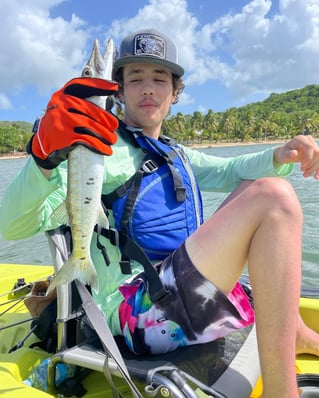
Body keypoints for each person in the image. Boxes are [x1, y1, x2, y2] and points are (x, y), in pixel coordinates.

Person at [1, 28, 319, 397]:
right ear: (117, 91)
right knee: (273, 196)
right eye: (135, 79)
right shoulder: (99, 150)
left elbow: (229, 170)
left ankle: (291, 329)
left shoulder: (174, 152)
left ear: (174, 92)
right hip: (134, 315)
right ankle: (282, 391)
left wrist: (279, 155)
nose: (148, 88)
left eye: (159, 79)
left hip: (173, 293)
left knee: (262, 193)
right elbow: (12, 224)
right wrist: (43, 158)